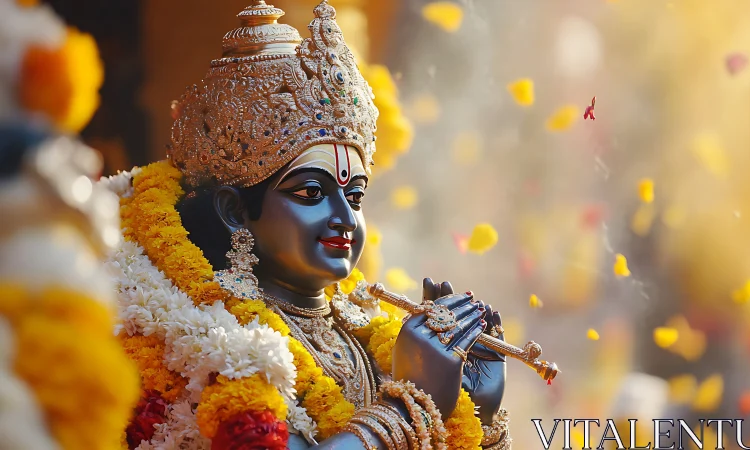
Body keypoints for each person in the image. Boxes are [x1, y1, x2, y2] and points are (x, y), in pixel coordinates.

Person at [111, 1, 530, 448]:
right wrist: (412, 403)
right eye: (311, 193)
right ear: (235, 211)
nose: (345, 217)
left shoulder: (370, 338)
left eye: (355, 196)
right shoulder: (199, 341)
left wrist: (476, 413)